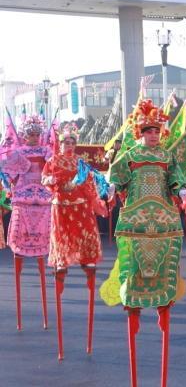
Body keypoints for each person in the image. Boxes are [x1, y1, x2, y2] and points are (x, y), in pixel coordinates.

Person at [108, 98, 186, 387]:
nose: (153, 134)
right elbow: (116, 178)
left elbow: (176, 178)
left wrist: (180, 191)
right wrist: (116, 159)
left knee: (164, 266)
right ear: (140, 132)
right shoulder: (130, 154)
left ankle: (162, 307)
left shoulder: (167, 157)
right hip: (136, 220)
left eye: (156, 130)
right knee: (133, 270)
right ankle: (133, 309)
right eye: (148, 130)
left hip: (164, 219)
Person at [41, 123, 107, 360]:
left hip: (80, 208)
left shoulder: (81, 163)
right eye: (65, 142)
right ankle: (61, 261)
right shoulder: (53, 160)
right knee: (63, 238)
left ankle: (87, 259)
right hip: (62, 209)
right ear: (60, 143)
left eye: (71, 142)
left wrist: (98, 201)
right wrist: (56, 181)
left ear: (75, 145)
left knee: (87, 232)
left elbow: (89, 185)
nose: (68, 145)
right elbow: (45, 179)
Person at [3, 115, 52, 330]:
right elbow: (7, 174)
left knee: (43, 260)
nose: (33, 137)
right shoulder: (18, 153)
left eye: (36, 134)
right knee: (18, 256)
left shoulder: (47, 153)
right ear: (24, 135)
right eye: (30, 134)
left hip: (43, 199)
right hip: (23, 200)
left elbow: (54, 172)